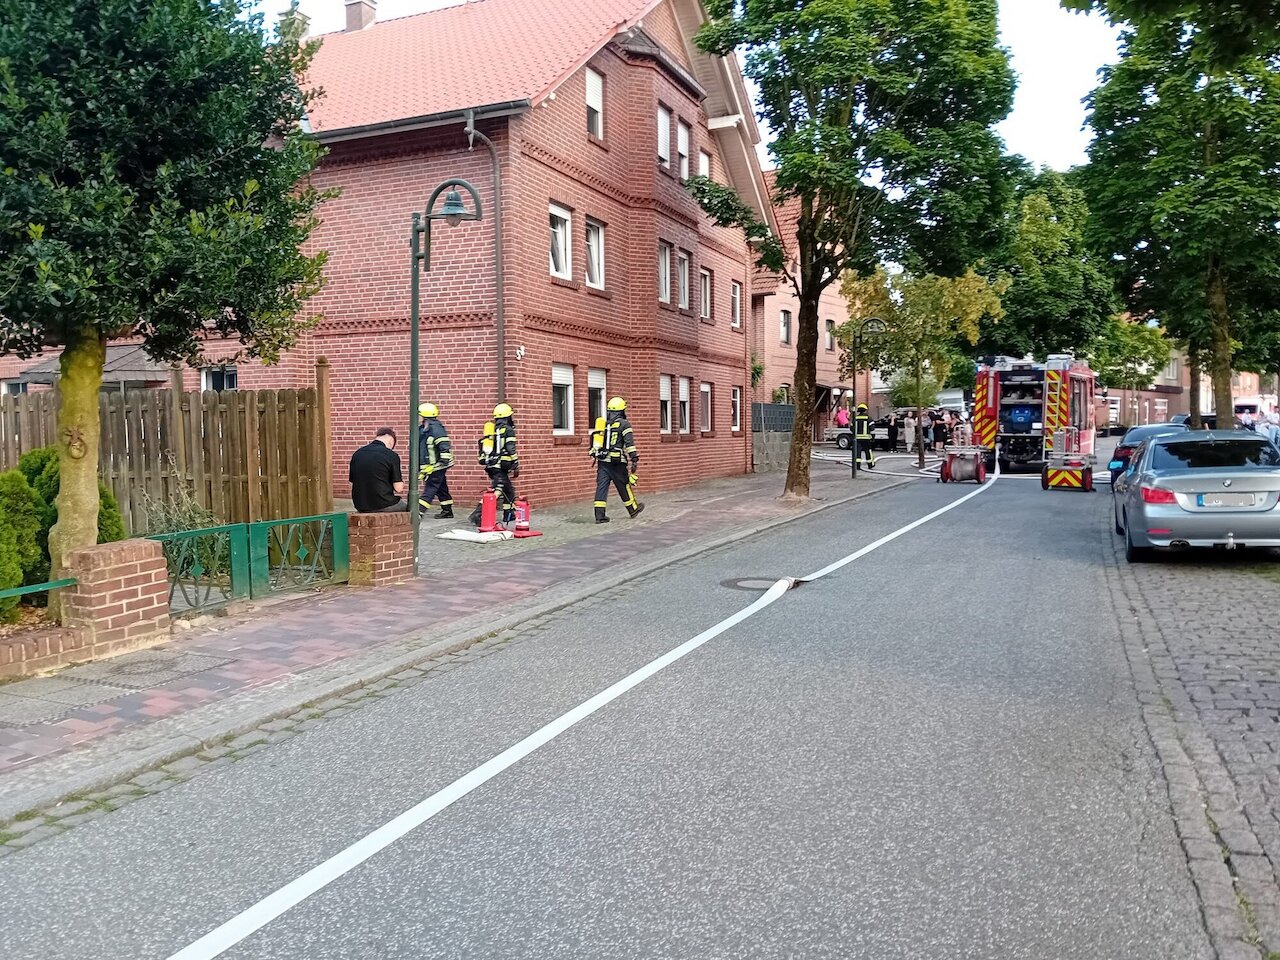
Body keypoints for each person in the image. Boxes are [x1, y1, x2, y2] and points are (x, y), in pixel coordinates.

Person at [592, 396, 644, 524]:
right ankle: (633, 510)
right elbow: (629, 443)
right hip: (617, 463)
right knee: (624, 486)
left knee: (601, 488)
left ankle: (599, 516)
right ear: (621, 411)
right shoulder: (624, 424)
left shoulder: (603, 424)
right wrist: (634, 458)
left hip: (603, 462)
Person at [472, 402, 520, 526]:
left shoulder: (492, 429)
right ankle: (478, 513)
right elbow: (510, 447)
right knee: (497, 489)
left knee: (509, 490)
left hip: (491, 465)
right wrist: (515, 462)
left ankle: (509, 514)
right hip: (501, 465)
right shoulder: (508, 430)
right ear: (508, 416)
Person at [349, 427, 407, 513]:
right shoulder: (391, 455)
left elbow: (352, 482)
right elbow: (398, 488)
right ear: (391, 441)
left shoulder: (357, 453)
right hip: (384, 504)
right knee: (413, 511)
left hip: (360, 505)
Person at [416, 402, 454, 519]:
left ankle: (419, 512)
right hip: (431, 465)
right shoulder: (424, 428)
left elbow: (443, 445)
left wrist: (443, 461)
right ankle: (447, 511)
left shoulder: (436, 429)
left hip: (437, 465)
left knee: (431, 487)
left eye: (419, 414)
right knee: (441, 487)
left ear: (424, 416)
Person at [854, 403, 875, 469]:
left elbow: (851, 428)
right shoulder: (868, 418)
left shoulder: (855, 418)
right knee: (868, 451)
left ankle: (857, 466)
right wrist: (872, 436)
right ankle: (870, 465)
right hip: (866, 438)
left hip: (857, 439)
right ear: (865, 410)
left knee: (858, 452)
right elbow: (872, 428)